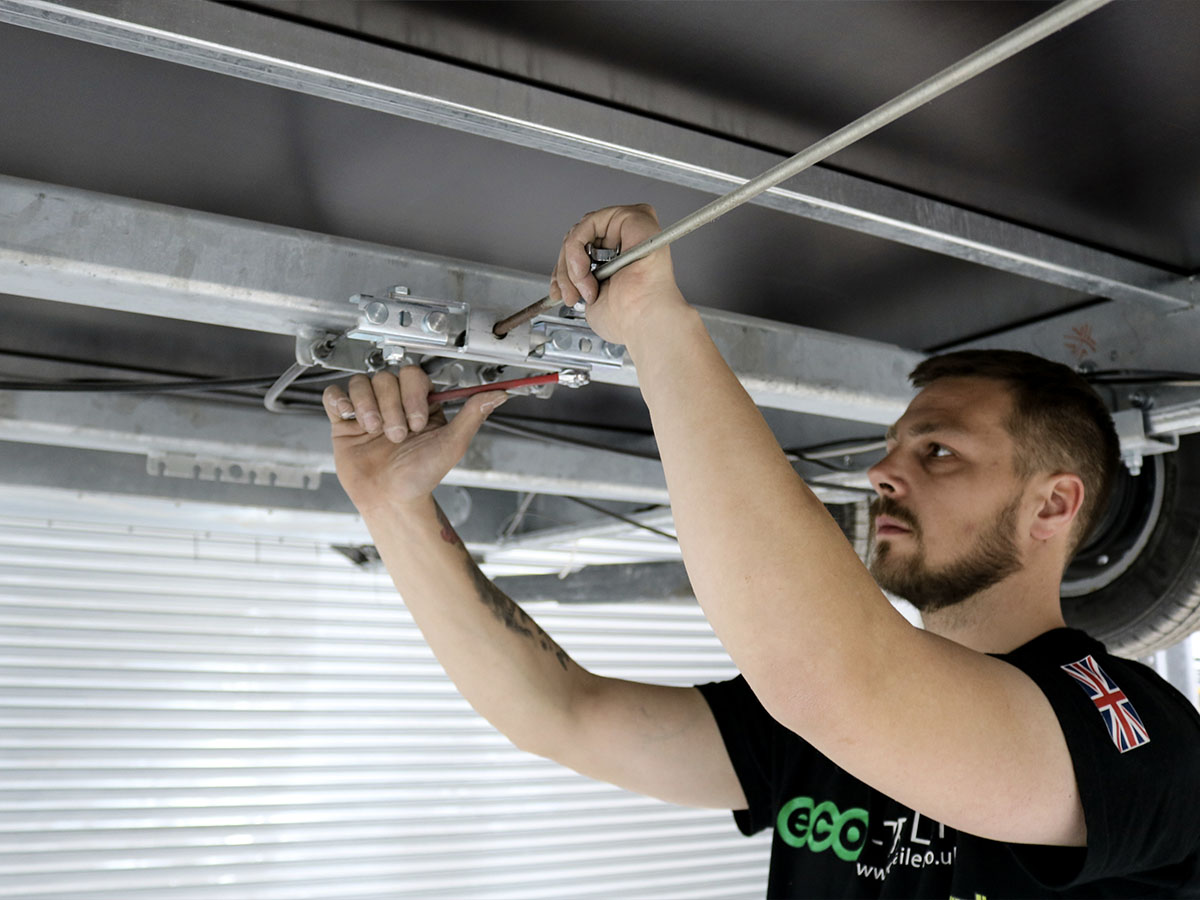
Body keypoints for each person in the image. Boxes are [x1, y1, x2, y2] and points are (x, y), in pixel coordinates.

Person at [323, 204, 1200, 898]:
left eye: (938, 451)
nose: (882, 473)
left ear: (1054, 505)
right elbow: (562, 714)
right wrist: (394, 508)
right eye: (891, 448)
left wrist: (657, 324)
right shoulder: (817, 718)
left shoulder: (1140, 735)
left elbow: (839, 685)